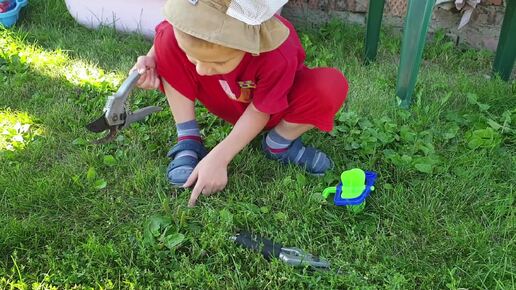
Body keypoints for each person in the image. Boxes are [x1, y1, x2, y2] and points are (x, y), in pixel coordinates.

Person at [131, 0, 348, 207]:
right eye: (193, 57)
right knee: (167, 39)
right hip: (222, 96)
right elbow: (167, 35)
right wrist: (150, 58)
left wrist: (219, 158)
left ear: (249, 45)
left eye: (218, 62)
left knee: (330, 86)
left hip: (273, 107)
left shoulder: (278, 52)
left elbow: (260, 111)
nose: (201, 70)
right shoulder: (191, 33)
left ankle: (279, 144)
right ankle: (188, 139)